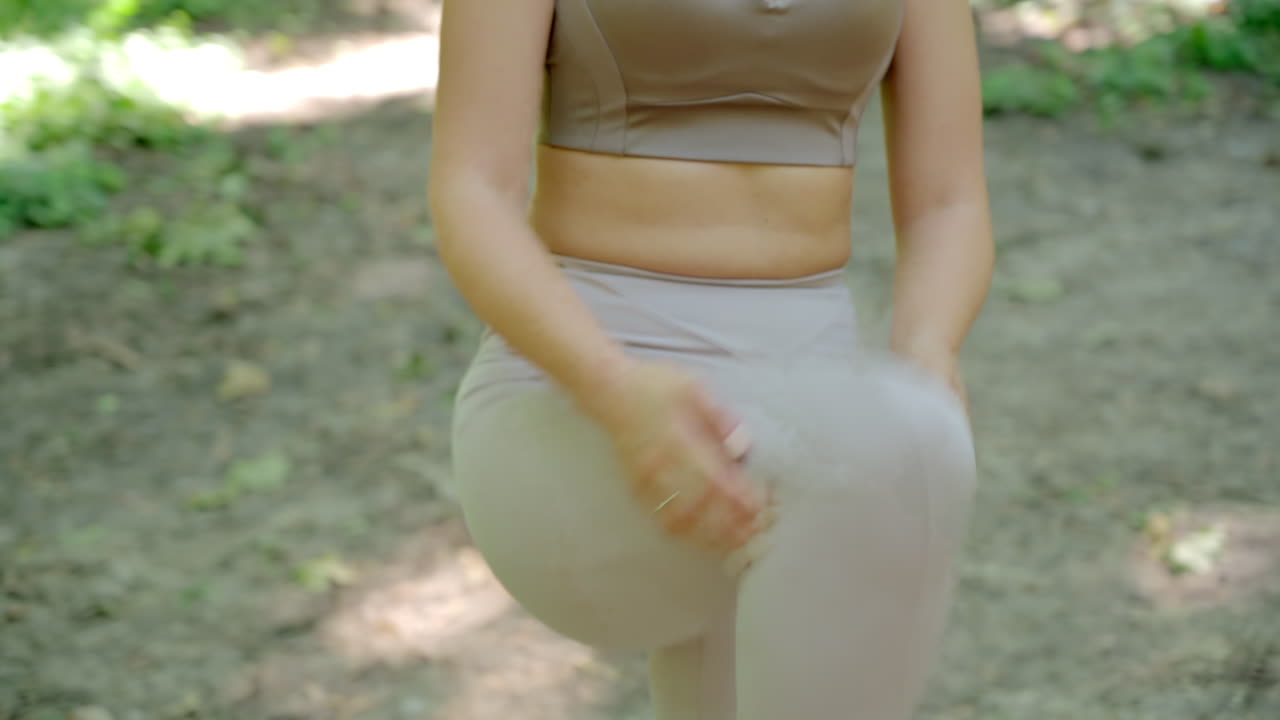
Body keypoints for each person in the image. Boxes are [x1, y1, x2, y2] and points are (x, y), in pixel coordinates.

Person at [428, 0, 994, 716]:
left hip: (813, 395)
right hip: (585, 389)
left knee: (897, 443)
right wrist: (615, 392)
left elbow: (949, 202)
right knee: (891, 444)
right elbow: (473, 188)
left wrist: (926, 355)